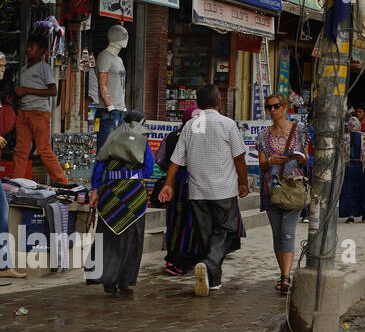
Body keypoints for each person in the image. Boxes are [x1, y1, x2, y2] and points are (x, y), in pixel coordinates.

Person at [157, 85, 250, 297]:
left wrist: (168, 185)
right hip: (223, 190)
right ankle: (208, 264)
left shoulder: (190, 126)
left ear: (198, 104)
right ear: (219, 102)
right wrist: (243, 182)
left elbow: (175, 160)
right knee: (226, 232)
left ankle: (213, 281)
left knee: (207, 237)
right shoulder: (227, 124)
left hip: (197, 192)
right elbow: (239, 157)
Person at [84, 110, 154, 297]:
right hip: (134, 198)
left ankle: (108, 279)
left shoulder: (111, 138)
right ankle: (124, 283)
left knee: (109, 239)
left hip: (111, 196)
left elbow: (99, 166)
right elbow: (148, 170)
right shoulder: (143, 141)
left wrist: (95, 190)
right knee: (132, 240)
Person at [257, 93, 308, 294]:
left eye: (276, 106)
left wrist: (302, 159)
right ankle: (283, 274)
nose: (273, 111)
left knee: (287, 232)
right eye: (269, 107)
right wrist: (270, 161)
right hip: (271, 189)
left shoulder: (299, 130)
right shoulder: (263, 135)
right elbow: (261, 164)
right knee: (277, 234)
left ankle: (285, 277)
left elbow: (306, 155)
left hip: (293, 188)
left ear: (285, 107)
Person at [12, 34, 70, 186]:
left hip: (39, 113)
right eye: (28, 46)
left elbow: (53, 91)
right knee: (20, 151)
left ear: (42, 50)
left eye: (32, 47)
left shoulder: (45, 68)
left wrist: (26, 90)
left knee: (44, 149)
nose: (28, 49)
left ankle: (62, 182)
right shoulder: (24, 69)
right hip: (24, 112)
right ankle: (15, 183)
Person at [339, 115, 365, 224]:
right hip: (362, 167)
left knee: (349, 191)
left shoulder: (344, 137)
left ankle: (351, 215)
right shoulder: (364, 136)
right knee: (363, 190)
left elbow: (340, 154)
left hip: (348, 167)